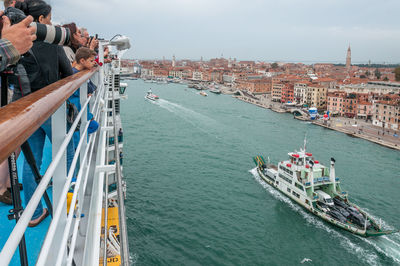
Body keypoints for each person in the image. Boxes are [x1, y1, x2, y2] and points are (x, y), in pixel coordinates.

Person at [13, 0, 74, 227]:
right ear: (40, 20)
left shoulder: (16, 44)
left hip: (26, 108)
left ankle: (34, 213)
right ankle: (65, 200)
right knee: (66, 150)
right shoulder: (51, 42)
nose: (51, 23)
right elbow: (68, 74)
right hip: (49, 107)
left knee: (31, 162)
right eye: (49, 18)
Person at [0, 12, 36, 204]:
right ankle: (1, 187)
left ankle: (6, 182)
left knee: (13, 143)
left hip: (15, 96)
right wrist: (7, 46)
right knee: (7, 141)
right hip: (12, 98)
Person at [68, 47, 98, 148]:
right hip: (75, 112)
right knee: (77, 140)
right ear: (82, 60)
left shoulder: (78, 72)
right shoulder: (75, 76)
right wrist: (89, 116)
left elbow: (92, 88)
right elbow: (77, 100)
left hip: (78, 112)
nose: (93, 63)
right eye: (91, 61)